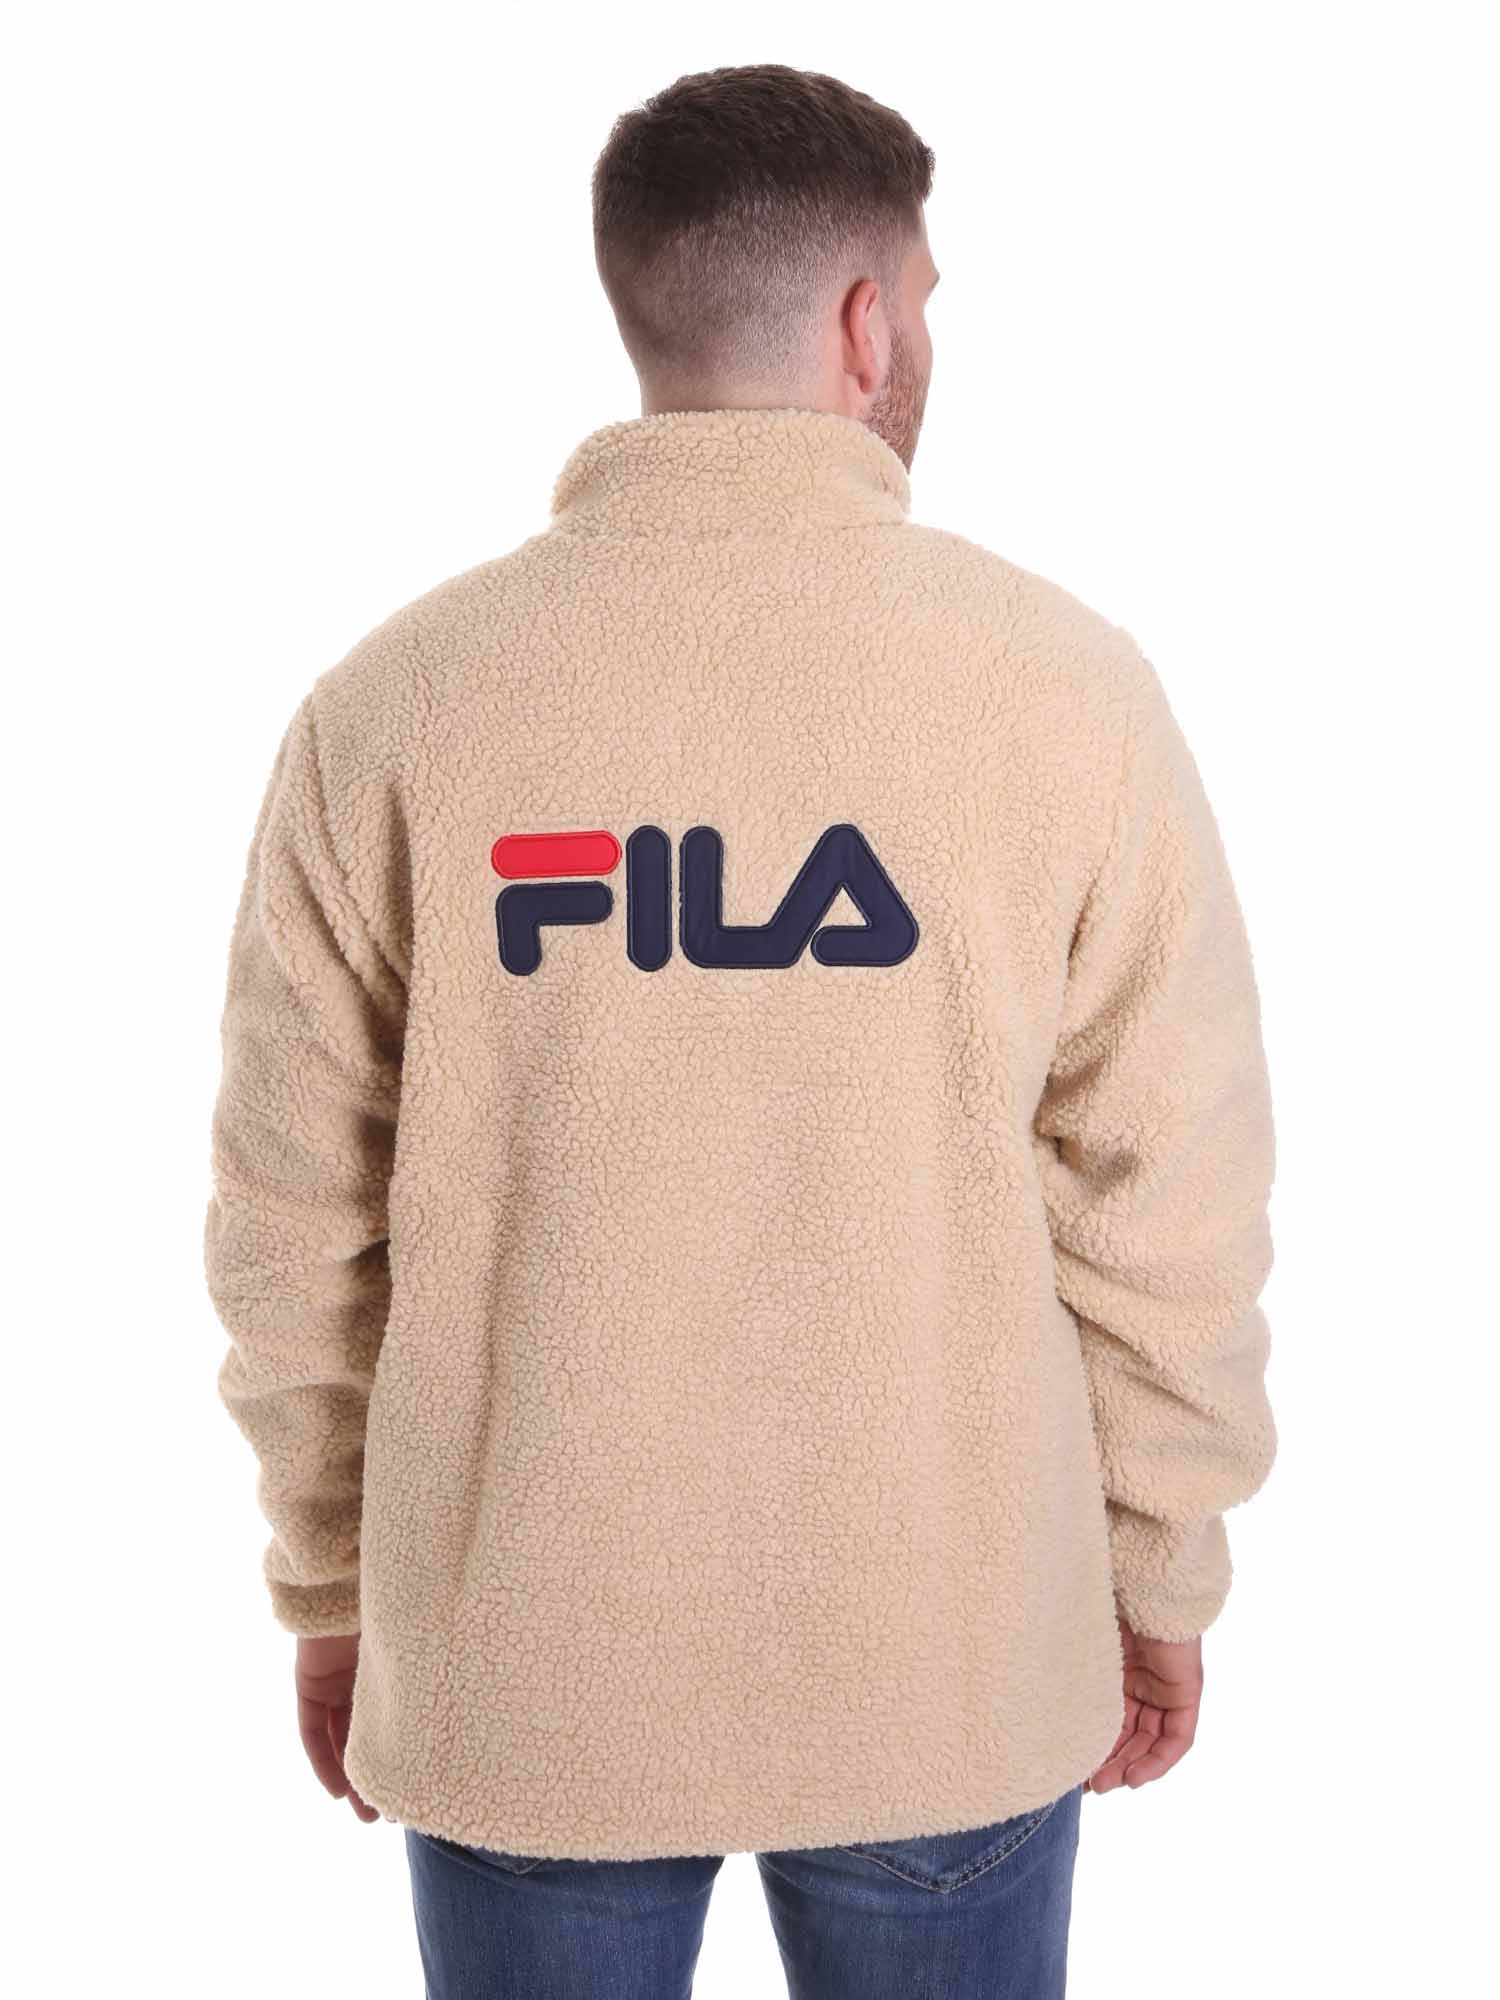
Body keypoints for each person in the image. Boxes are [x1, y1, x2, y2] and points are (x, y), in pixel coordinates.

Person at [204, 61, 1277, 2000]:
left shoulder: (401, 704)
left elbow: (294, 1222)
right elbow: (1167, 1195)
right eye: (926, 300)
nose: (924, 341)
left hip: (531, 1657)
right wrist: (1162, 1565)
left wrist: (335, 1579)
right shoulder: (1060, 691)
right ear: (867, 326)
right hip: (945, 1648)